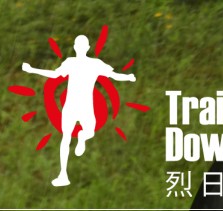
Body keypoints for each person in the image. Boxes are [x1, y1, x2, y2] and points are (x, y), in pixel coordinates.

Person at [21, 33, 136, 187]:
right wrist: (128, 77)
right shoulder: (87, 64)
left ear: (78, 47)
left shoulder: (81, 63)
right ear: (84, 47)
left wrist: (32, 70)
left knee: (72, 136)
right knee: (78, 134)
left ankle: (71, 158)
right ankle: (65, 171)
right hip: (79, 106)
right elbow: (114, 76)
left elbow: (54, 75)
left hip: (76, 106)